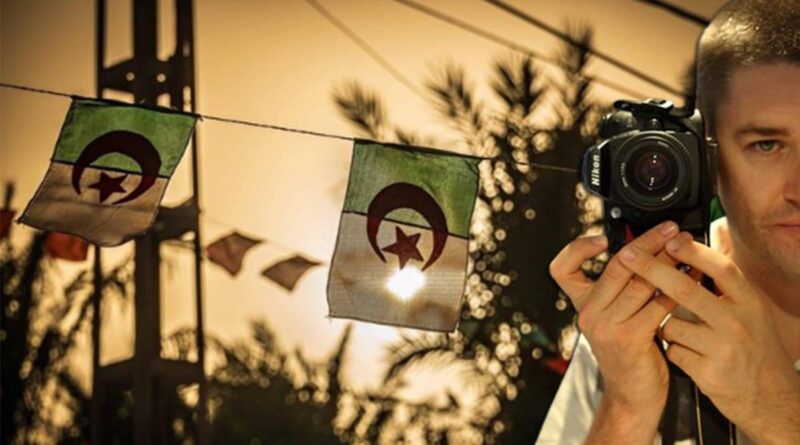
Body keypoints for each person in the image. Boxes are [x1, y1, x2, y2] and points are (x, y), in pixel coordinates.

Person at [537, 1, 800, 444]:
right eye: (767, 145)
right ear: (705, 155)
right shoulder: (640, 317)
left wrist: (777, 412)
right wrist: (626, 407)